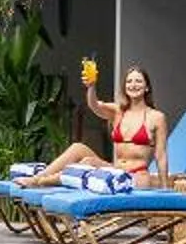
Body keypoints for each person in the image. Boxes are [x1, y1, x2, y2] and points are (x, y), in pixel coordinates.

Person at [20, 65, 169, 187]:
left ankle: (40, 182)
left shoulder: (156, 117)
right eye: (129, 82)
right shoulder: (118, 111)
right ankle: (40, 177)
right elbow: (95, 105)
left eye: (138, 81)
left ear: (147, 87)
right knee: (78, 148)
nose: (133, 85)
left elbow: (160, 155)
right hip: (114, 169)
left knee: (87, 163)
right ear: (125, 87)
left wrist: (165, 187)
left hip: (137, 175)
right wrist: (91, 87)